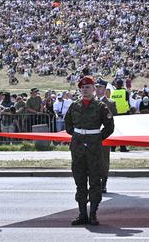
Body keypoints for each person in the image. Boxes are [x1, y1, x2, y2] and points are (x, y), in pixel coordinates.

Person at [64, 76, 114, 226]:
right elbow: (68, 125)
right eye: (82, 87)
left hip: (94, 148)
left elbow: (109, 127)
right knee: (80, 181)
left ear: (94, 89)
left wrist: (97, 138)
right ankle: (82, 214)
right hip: (78, 148)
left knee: (94, 181)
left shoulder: (101, 107)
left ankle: (93, 214)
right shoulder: (74, 106)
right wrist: (79, 136)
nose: (85, 90)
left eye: (88, 87)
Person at [96, 79, 117, 194]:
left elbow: (114, 121)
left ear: (105, 89)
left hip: (104, 136)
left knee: (104, 160)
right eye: (97, 87)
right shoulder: (90, 101)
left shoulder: (110, 103)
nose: (98, 89)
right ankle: (95, 183)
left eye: (100, 87)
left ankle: (103, 183)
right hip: (92, 136)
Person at [110, 79, 130, 152]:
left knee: (115, 130)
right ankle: (122, 147)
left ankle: (112, 147)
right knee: (122, 131)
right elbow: (128, 102)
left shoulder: (113, 92)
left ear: (116, 84)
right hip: (124, 113)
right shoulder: (125, 92)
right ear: (122, 84)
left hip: (114, 113)